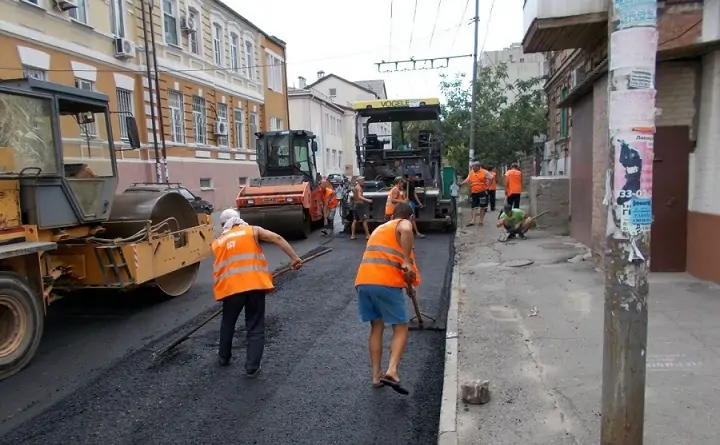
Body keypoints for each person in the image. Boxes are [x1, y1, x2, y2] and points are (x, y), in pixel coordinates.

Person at [212, 208, 303, 377]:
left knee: (228, 323)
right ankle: (252, 367)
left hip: (231, 289)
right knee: (254, 325)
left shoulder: (218, 242)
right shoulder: (252, 231)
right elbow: (276, 237)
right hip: (255, 286)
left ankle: (224, 357)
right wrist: (294, 257)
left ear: (224, 224)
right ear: (238, 219)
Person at [354, 202, 420, 396]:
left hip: (363, 282)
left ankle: (376, 376)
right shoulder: (402, 226)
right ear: (409, 218)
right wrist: (407, 261)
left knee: (377, 326)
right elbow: (407, 230)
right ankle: (391, 370)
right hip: (386, 283)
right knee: (400, 327)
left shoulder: (379, 230)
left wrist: (408, 287)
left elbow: (402, 273)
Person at [459, 161, 493, 226]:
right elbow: (468, 179)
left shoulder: (484, 172)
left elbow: (491, 178)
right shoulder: (471, 172)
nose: (472, 168)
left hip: (482, 192)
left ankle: (481, 221)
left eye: (473, 167)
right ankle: (473, 220)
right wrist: (461, 183)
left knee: (482, 207)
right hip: (474, 192)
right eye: (472, 167)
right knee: (473, 207)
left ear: (478, 166)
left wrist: (488, 186)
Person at [405, 173, 426, 238]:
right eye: (412, 175)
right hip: (409, 202)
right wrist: (405, 199)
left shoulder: (412, 183)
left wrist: (419, 203)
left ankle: (410, 232)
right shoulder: (406, 183)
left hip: (412, 202)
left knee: (411, 218)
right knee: (411, 218)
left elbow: (414, 194)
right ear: (409, 175)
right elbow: (403, 192)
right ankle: (415, 233)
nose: (414, 177)